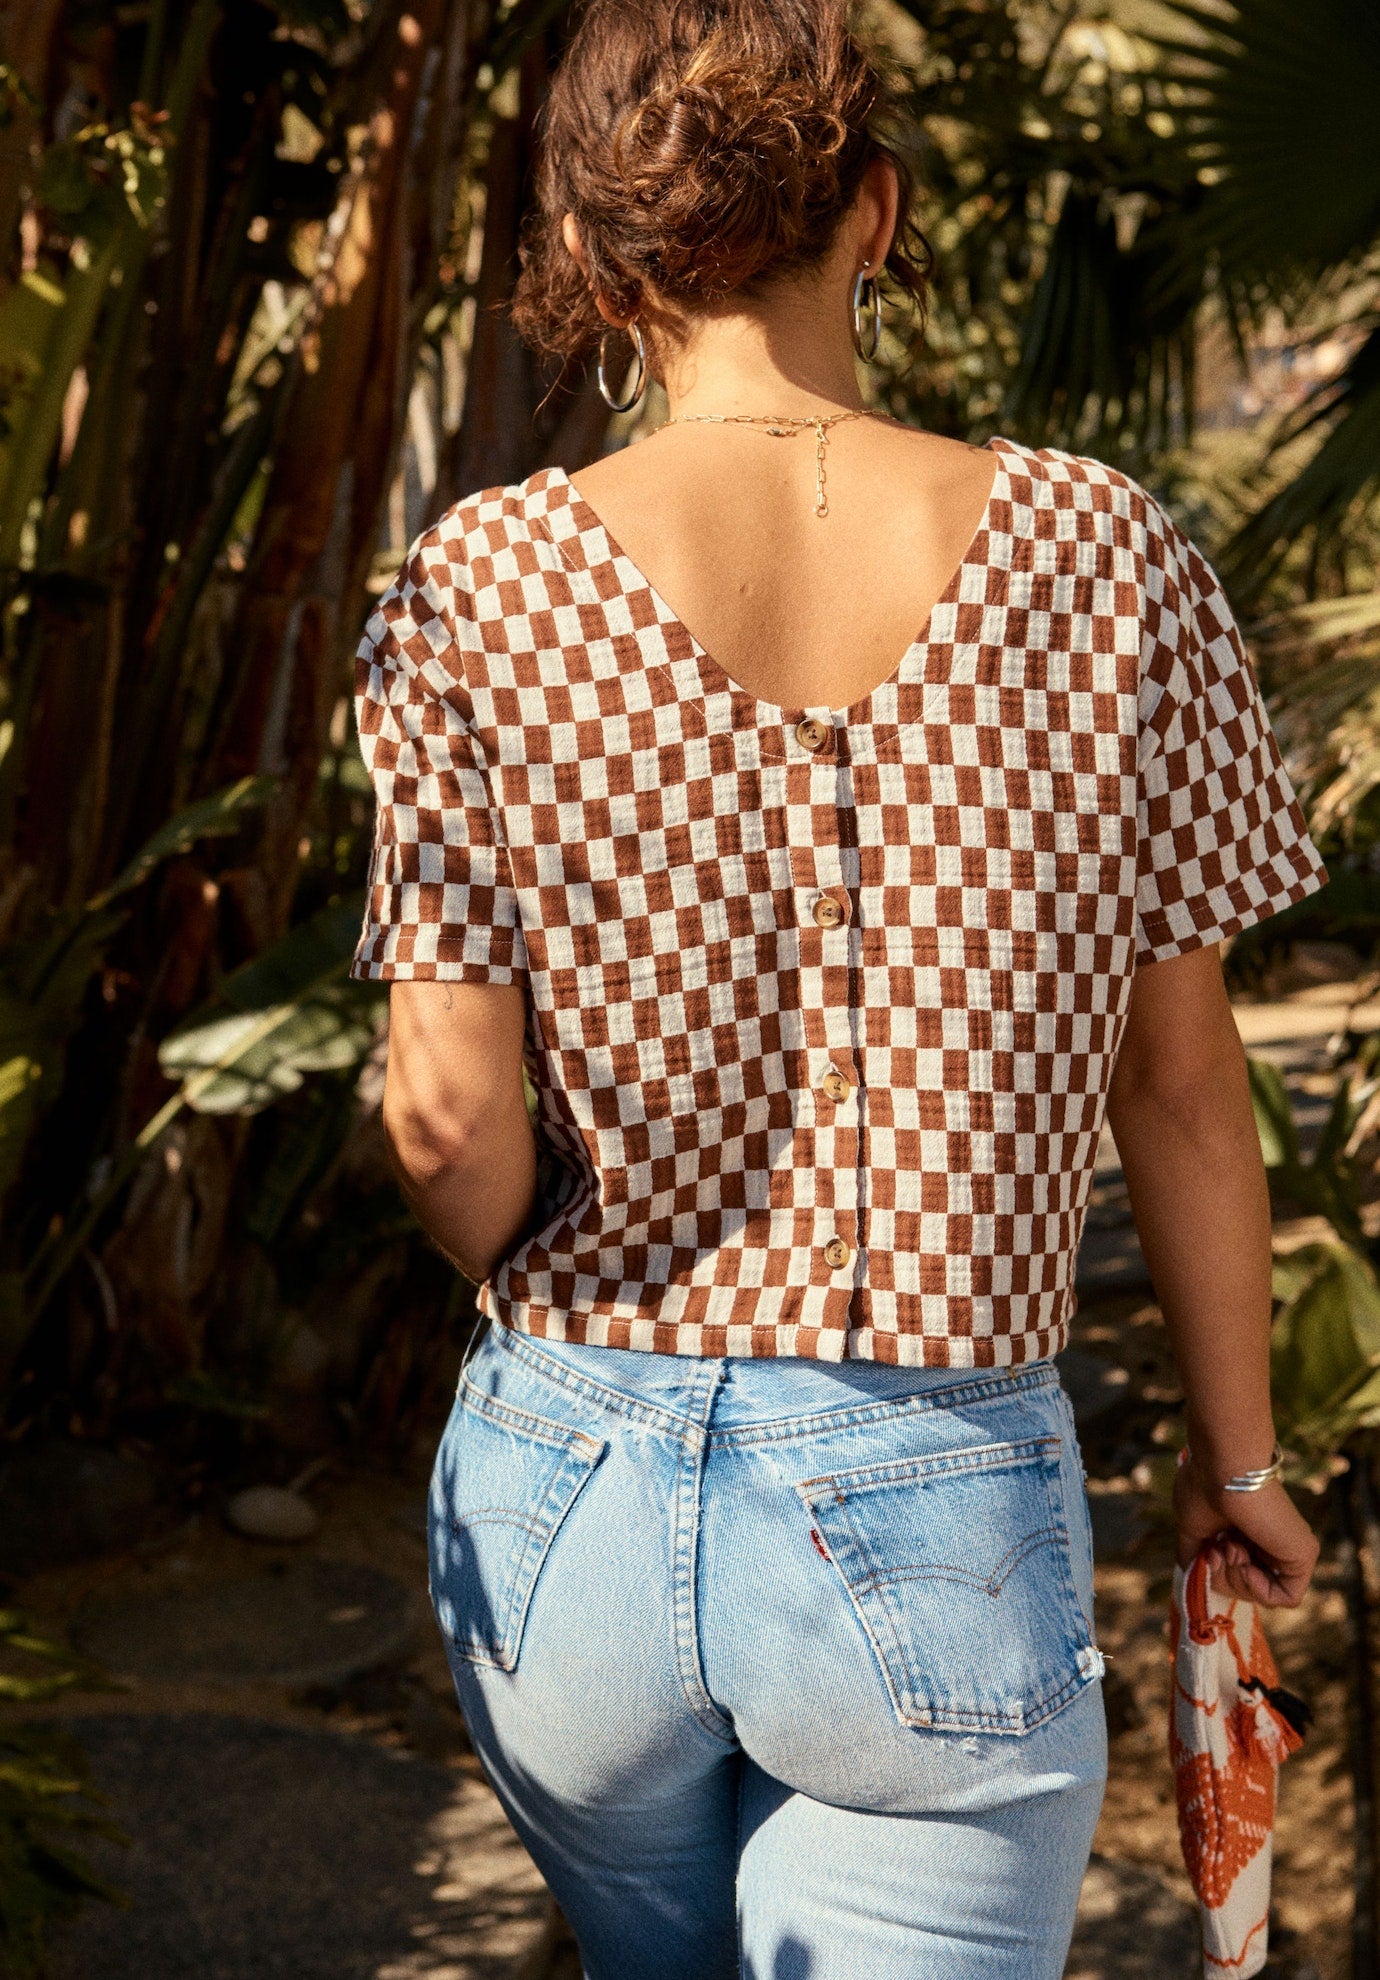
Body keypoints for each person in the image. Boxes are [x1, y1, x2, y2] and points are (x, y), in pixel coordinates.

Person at [349, 2, 1326, 1973]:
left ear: (596, 255)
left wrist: (583, 1328)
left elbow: (446, 1123)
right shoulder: (1109, 558)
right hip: (937, 1499)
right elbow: (1181, 1088)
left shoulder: (478, 584)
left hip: (568, 1493)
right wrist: (1238, 1467)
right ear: (873, 211)